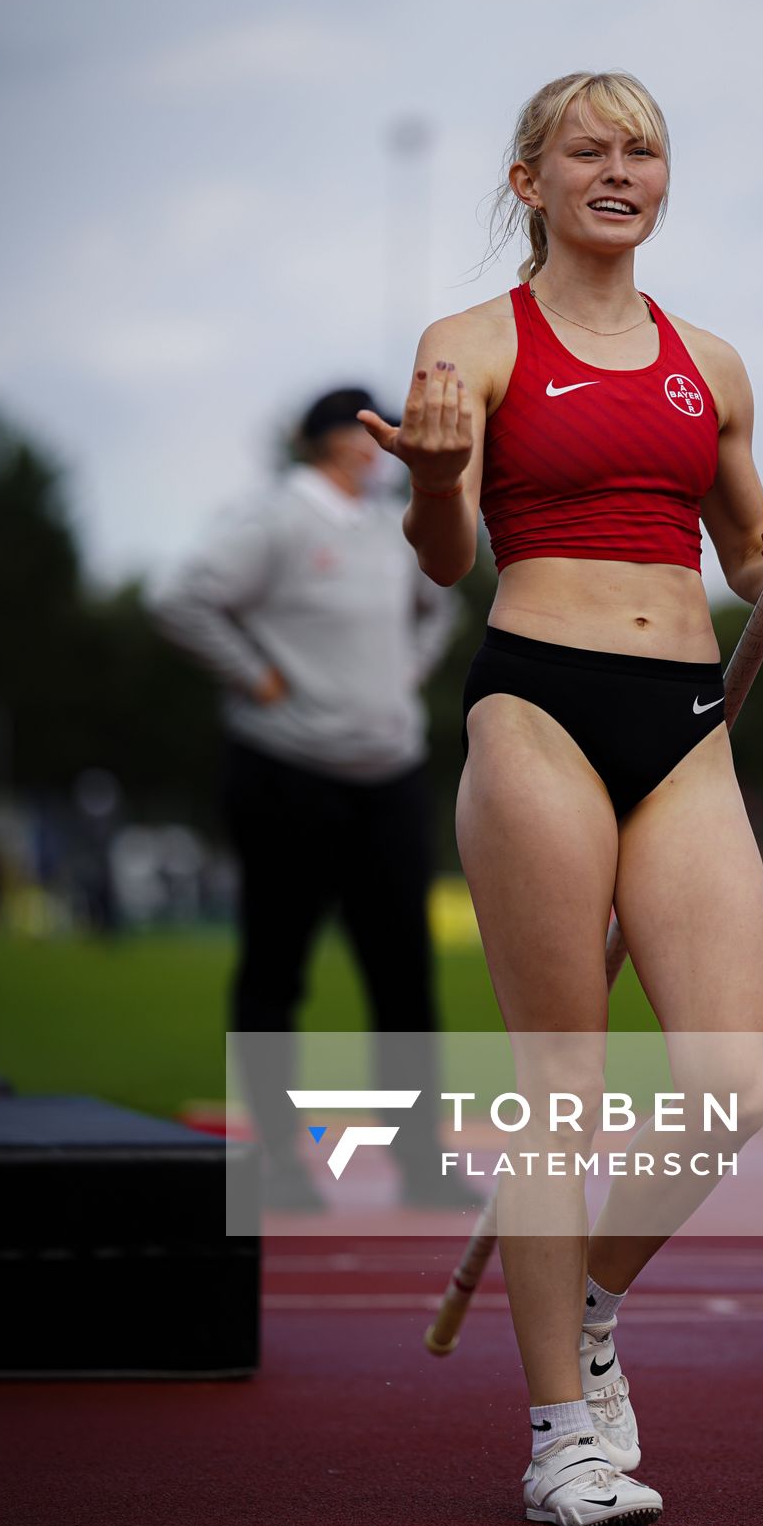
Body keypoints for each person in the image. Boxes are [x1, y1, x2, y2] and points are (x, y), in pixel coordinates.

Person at [358, 71, 763, 1526]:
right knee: (560, 1091)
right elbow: (446, 560)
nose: (620, 170)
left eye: (643, 150)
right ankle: (562, 1441)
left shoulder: (713, 363)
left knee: (734, 1089)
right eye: (590, 149)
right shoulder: (472, 344)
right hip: (538, 711)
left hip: (687, 724)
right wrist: (441, 482)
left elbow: (748, 556)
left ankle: (587, 1302)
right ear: (531, 182)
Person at [152, 386, 475, 1212]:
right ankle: (280, 1165)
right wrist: (257, 678)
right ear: (328, 445)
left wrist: (401, 675)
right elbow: (180, 599)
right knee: (275, 973)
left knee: (405, 981)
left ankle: (420, 1163)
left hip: (390, 777)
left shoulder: (389, 526)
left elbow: (441, 607)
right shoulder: (274, 519)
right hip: (287, 773)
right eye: (362, 437)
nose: (378, 451)